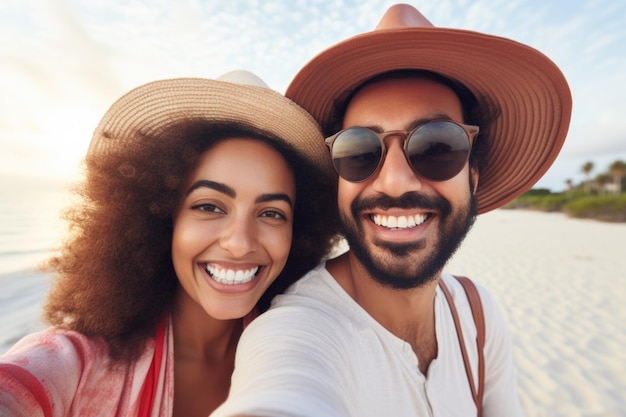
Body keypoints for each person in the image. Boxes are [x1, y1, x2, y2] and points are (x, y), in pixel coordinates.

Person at [212, 4, 571, 417]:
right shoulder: (298, 330)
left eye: (438, 145)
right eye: (359, 150)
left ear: (473, 177)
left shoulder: (477, 315)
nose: (394, 181)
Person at [0, 70, 340, 416]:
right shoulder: (78, 361)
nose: (239, 243)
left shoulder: (305, 346)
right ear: (163, 219)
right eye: (209, 207)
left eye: (271, 213)